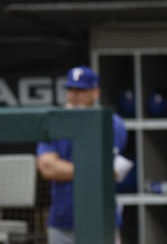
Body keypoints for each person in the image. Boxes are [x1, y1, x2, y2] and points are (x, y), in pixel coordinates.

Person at [36, 66, 130, 244]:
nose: (74, 95)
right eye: (70, 89)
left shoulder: (111, 123)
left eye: (81, 90)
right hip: (61, 221)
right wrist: (94, 171)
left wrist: (66, 169)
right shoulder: (54, 121)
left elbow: (108, 171)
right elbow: (48, 168)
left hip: (101, 220)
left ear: (95, 92)